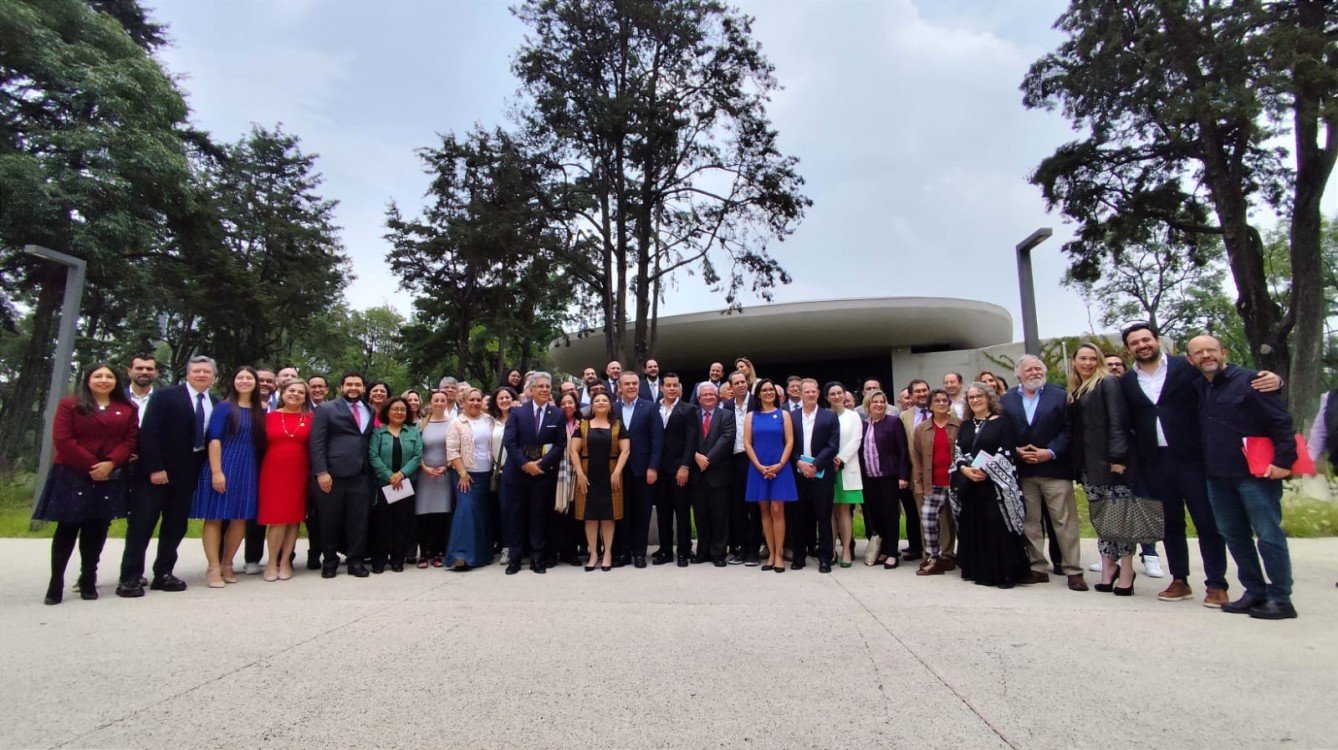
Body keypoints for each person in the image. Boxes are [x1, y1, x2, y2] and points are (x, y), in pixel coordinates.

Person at [1118, 322, 1279, 606]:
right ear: (1128, 349)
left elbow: (1224, 376)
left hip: (1193, 459)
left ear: (1157, 341)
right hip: (1155, 462)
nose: (1142, 345)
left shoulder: (1186, 367)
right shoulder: (1127, 382)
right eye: (1135, 342)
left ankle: (1216, 584)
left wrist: (1274, 380)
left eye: (1146, 339)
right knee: (1171, 525)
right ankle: (1179, 580)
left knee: (1208, 523)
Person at [1188, 335, 1298, 620]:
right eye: (1198, 352)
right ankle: (1254, 591)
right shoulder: (1200, 387)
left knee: (1268, 535)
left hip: (1255, 475)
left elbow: (1281, 422)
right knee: (1234, 536)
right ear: (1191, 360)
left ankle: (1281, 597)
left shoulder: (1252, 382)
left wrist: (1284, 462)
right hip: (1217, 476)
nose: (1206, 355)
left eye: (1211, 350)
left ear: (1224, 352)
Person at [35, 363, 138, 604]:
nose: (104, 380)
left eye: (109, 376)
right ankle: (56, 581)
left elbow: (130, 440)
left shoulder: (127, 408)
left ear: (116, 381)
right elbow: (63, 439)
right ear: (87, 380)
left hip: (109, 474)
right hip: (73, 473)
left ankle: (89, 577)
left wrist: (110, 464)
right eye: (98, 376)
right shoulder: (70, 404)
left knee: (97, 529)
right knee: (67, 528)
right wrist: (93, 465)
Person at [117, 355, 219, 598]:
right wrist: (154, 467)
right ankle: (130, 577)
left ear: (214, 377)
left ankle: (163, 572)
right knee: (142, 524)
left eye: (207, 372)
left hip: (187, 475)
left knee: (175, 526)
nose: (201, 375)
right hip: (156, 473)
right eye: (197, 371)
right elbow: (149, 432)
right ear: (187, 374)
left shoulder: (214, 402)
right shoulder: (165, 396)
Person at [1000, 355, 1087, 590]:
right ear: (1018, 374)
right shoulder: (1006, 400)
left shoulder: (1060, 395)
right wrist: (1015, 451)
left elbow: (1069, 430)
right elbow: (1003, 431)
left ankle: (1073, 570)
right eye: (1029, 369)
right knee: (1030, 521)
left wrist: (1050, 452)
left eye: (1039, 369)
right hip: (1024, 471)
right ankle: (1037, 566)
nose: (1035, 373)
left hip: (1054, 469)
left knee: (1064, 521)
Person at [1086, 351, 1165, 577]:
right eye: (1108, 364)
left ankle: (1150, 556)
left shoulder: (1133, 388)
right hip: (1110, 461)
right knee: (1113, 511)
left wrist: (1119, 457)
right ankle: (1110, 557)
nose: (1113, 368)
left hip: (1137, 458)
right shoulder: (1099, 389)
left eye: (1117, 364)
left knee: (1140, 506)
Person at [1067, 344, 1138, 595]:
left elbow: (1118, 421)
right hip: (1088, 466)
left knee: (1120, 519)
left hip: (1111, 464)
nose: (1087, 363)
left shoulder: (1107, 383)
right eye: (1082, 358)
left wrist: (1118, 457)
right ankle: (1109, 567)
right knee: (1101, 519)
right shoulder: (1076, 389)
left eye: (1091, 358)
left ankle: (1127, 570)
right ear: (1074, 361)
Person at [191, 366, 265, 588]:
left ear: (255, 383)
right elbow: (214, 439)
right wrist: (216, 471)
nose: (244, 381)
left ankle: (227, 563)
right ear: (233, 381)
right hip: (224, 463)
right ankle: (213, 567)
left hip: (248, 466)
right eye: (239, 377)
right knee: (214, 517)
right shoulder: (224, 407)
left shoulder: (258, 410)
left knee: (240, 517)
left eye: (248, 378)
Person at [953, 382, 1030, 588]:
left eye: (979, 396)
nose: (975, 400)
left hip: (995, 486)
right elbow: (958, 450)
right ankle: (978, 570)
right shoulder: (966, 425)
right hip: (971, 486)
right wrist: (964, 469)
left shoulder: (1002, 422)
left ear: (988, 398)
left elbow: (1006, 451)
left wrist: (984, 471)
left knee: (996, 526)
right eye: (971, 397)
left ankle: (1002, 573)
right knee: (974, 526)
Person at [501, 373, 567, 575]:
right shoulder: (517, 413)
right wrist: (525, 464)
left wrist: (542, 464)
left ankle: (538, 557)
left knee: (539, 516)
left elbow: (560, 444)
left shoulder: (557, 414)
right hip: (517, 475)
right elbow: (510, 442)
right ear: (531, 390)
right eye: (540, 386)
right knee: (516, 517)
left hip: (542, 475)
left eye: (548, 386)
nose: (545, 390)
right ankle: (515, 558)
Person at [310, 372, 374, 579]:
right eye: (349, 384)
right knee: (329, 520)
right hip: (332, 475)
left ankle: (356, 561)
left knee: (358, 521)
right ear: (341, 387)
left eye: (358, 385)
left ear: (364, 388)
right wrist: (321, 472)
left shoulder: (369, 409)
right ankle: (329, 561)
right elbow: (317, 443)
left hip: (361, 474)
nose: (353, 388)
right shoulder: (326, 409)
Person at [257, 380, 312, 582]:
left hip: (299, 471)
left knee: (293, 519)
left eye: (300, 392)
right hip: (273, 472)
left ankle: (286, 560)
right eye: (291, 390)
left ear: (305, 398)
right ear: (282, 393)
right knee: (277, 519)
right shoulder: (268, 417)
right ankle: (272, 561)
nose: (295, 394)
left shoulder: (310, 419)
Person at [569, 392, 629, 571]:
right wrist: (579, 473)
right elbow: (573, 451)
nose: (601, 403)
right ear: (592, 405)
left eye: (605, 400)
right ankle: (594, 553)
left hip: (611, 475)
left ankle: (608, 552)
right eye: (597, 400)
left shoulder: (618, 425)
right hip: (587, 475)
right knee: (590, 515)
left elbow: (625, 451)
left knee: (608, 515)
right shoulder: (583, 425)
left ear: (611, 405)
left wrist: (617, 472)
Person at [744, 378, 798, 572]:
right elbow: (747, 443)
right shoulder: (751, 416)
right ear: (758, 394)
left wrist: (780, 464)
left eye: (771, 390)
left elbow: (790, 441)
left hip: (780, 468)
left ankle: (779, 555)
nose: (768, 393)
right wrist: (759, 466)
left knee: (777, 510)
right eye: (764, 390)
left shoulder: (784, 414)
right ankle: (770, 554)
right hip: (759, 468)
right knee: (764, 511)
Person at [612, 371, 663, 567]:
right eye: (627, 384)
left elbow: (657, 440)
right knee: (622, 513)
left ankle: (640, 553)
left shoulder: (650, 408)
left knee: (642, 513)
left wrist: (653, 467)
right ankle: (624, 553)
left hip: (643, 470)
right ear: (620, 388)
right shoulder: (613, 409)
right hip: (618, 471)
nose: (632, 386)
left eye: (635, 383)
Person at [789, 377, 840, 572]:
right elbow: (788, 444)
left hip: (822, 474)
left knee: (824, 517)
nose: (810, 394)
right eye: (806, 391)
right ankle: (799, 556)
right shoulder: (792, 417)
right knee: (799, 517)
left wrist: (815, 465)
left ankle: (825, 557)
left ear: (818, 393)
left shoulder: (830, 416)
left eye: (814, 391)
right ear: (800, 394)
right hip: (799, 474)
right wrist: (798, 462)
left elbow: (833, 445)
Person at [367, 396, 422, 574]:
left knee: (401, 523)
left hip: (405, 484)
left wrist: (401, 474)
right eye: (395, 409)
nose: (399, 412)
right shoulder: (378, 432)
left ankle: (398, 558)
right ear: (387, 412)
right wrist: (389, 475)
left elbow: (417, 455)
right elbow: (373, 456)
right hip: (384, 484)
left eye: (402, 410)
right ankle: (379, 559)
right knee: (382, 524)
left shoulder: (413, 432)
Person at [910, 389, 961, 576]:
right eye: (937, 400)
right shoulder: (922, 428)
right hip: (933, 484)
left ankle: (967, 558)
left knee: (962, 522)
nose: (941, 403)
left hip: (956, 483)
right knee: (929, 522)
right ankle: (933, 558)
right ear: (930, 405)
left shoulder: (959, 425)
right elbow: (916, 457)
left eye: (944, 400)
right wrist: (919, 484)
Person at [857, 389, 910, 569]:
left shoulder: (893, 422)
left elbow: (903, 451)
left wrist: (903, 475)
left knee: (890, 515)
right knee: (876, 515)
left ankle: (893, 553)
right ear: (867, 406)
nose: (879, 405)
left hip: (889, 476)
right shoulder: (863, 425)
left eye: (882, 401)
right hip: (870, 478)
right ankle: (884, 550)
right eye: (875, 402)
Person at [445, 388, 497, 570]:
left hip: (486, 474)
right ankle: (460, 555)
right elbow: (451, 450)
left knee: (481, 513)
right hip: (465, 475)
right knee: (465, 511)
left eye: (478, 400)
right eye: (471, 400)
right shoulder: (456, 423)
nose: (475, 403)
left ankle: (482, 555)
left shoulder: (489, 420)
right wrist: (462, 473)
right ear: (464, 402)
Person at [689, 381, 736, 566]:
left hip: (719, 473)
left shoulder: (727, 415)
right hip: (697, 473)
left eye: (711, 394)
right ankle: (703, 551)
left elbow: (727, 438)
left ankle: (718, 553)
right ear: (699, 399)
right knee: (700, 515)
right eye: (704, 395)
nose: (708, 397)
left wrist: (707, 459)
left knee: (720, 515)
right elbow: (686, 438)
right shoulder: (691, 415)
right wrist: (695, 456)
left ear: (717, 396)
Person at [653, 373, 697, 566]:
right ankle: (665, 550)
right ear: (661, 387)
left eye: (675, 385)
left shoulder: (688, 409)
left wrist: (685, 466)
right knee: (663, 512)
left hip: (679, 468)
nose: (672, 388)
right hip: (659, 470)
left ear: (680, 388)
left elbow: (691, 440)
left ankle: (684, 551)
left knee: (682, 511)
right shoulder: (653, 409)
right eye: (668, 385)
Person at [826, 382, 864, 568]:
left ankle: (846, 550)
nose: (836, 396)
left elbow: (856, 439)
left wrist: (840, 459)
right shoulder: (824, 416)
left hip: (846, 468)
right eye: (832, 394)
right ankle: (831, 549)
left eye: (839, 393)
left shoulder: (853, 416)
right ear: (827, 397)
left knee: (844, 511)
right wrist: (827, 460)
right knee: (830, 511)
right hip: (826, 469)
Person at [414, 390, 453, 568]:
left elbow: (456, 449)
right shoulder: (421, 425)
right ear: (430, 402)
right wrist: (423, 466)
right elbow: (415, 450)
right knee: (423, 513)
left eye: (442, 400)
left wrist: (447, 466)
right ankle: (424, 553)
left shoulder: (453, 424)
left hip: (445, 474)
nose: (439, 403)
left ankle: (438, 552)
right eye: (436, 400)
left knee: (441, 513)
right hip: (424, 475)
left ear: (446, 403)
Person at [725, 371, 760, 566]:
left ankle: (754, 550)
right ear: (731, 386)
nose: (740, 385)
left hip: (753, 459)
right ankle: (742, 549)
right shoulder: (728, 405)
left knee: (754, 506)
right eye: (736, 383)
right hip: (733, 460)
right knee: (737, 507)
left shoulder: (757, 402)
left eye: (743, 381)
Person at [897, 379, 932, 562]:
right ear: (910, 395)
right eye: (917, 391)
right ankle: (923, 550)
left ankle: (945, 551)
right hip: (913, 473)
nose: (921, 394)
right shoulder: (904, 417)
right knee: (917, 514)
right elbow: (902, 447)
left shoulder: (939, 410)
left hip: (938, 472)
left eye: (924, 390)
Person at [488, 386, 516, 558]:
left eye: (508, 397)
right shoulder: (490, 421)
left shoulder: (520, 417)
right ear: (496, 402)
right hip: (498, 471)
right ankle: (507, 546)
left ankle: (520, 546)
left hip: (518, 469)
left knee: (518, 509)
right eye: (501, 398)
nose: (505, 400)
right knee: (504, 510)